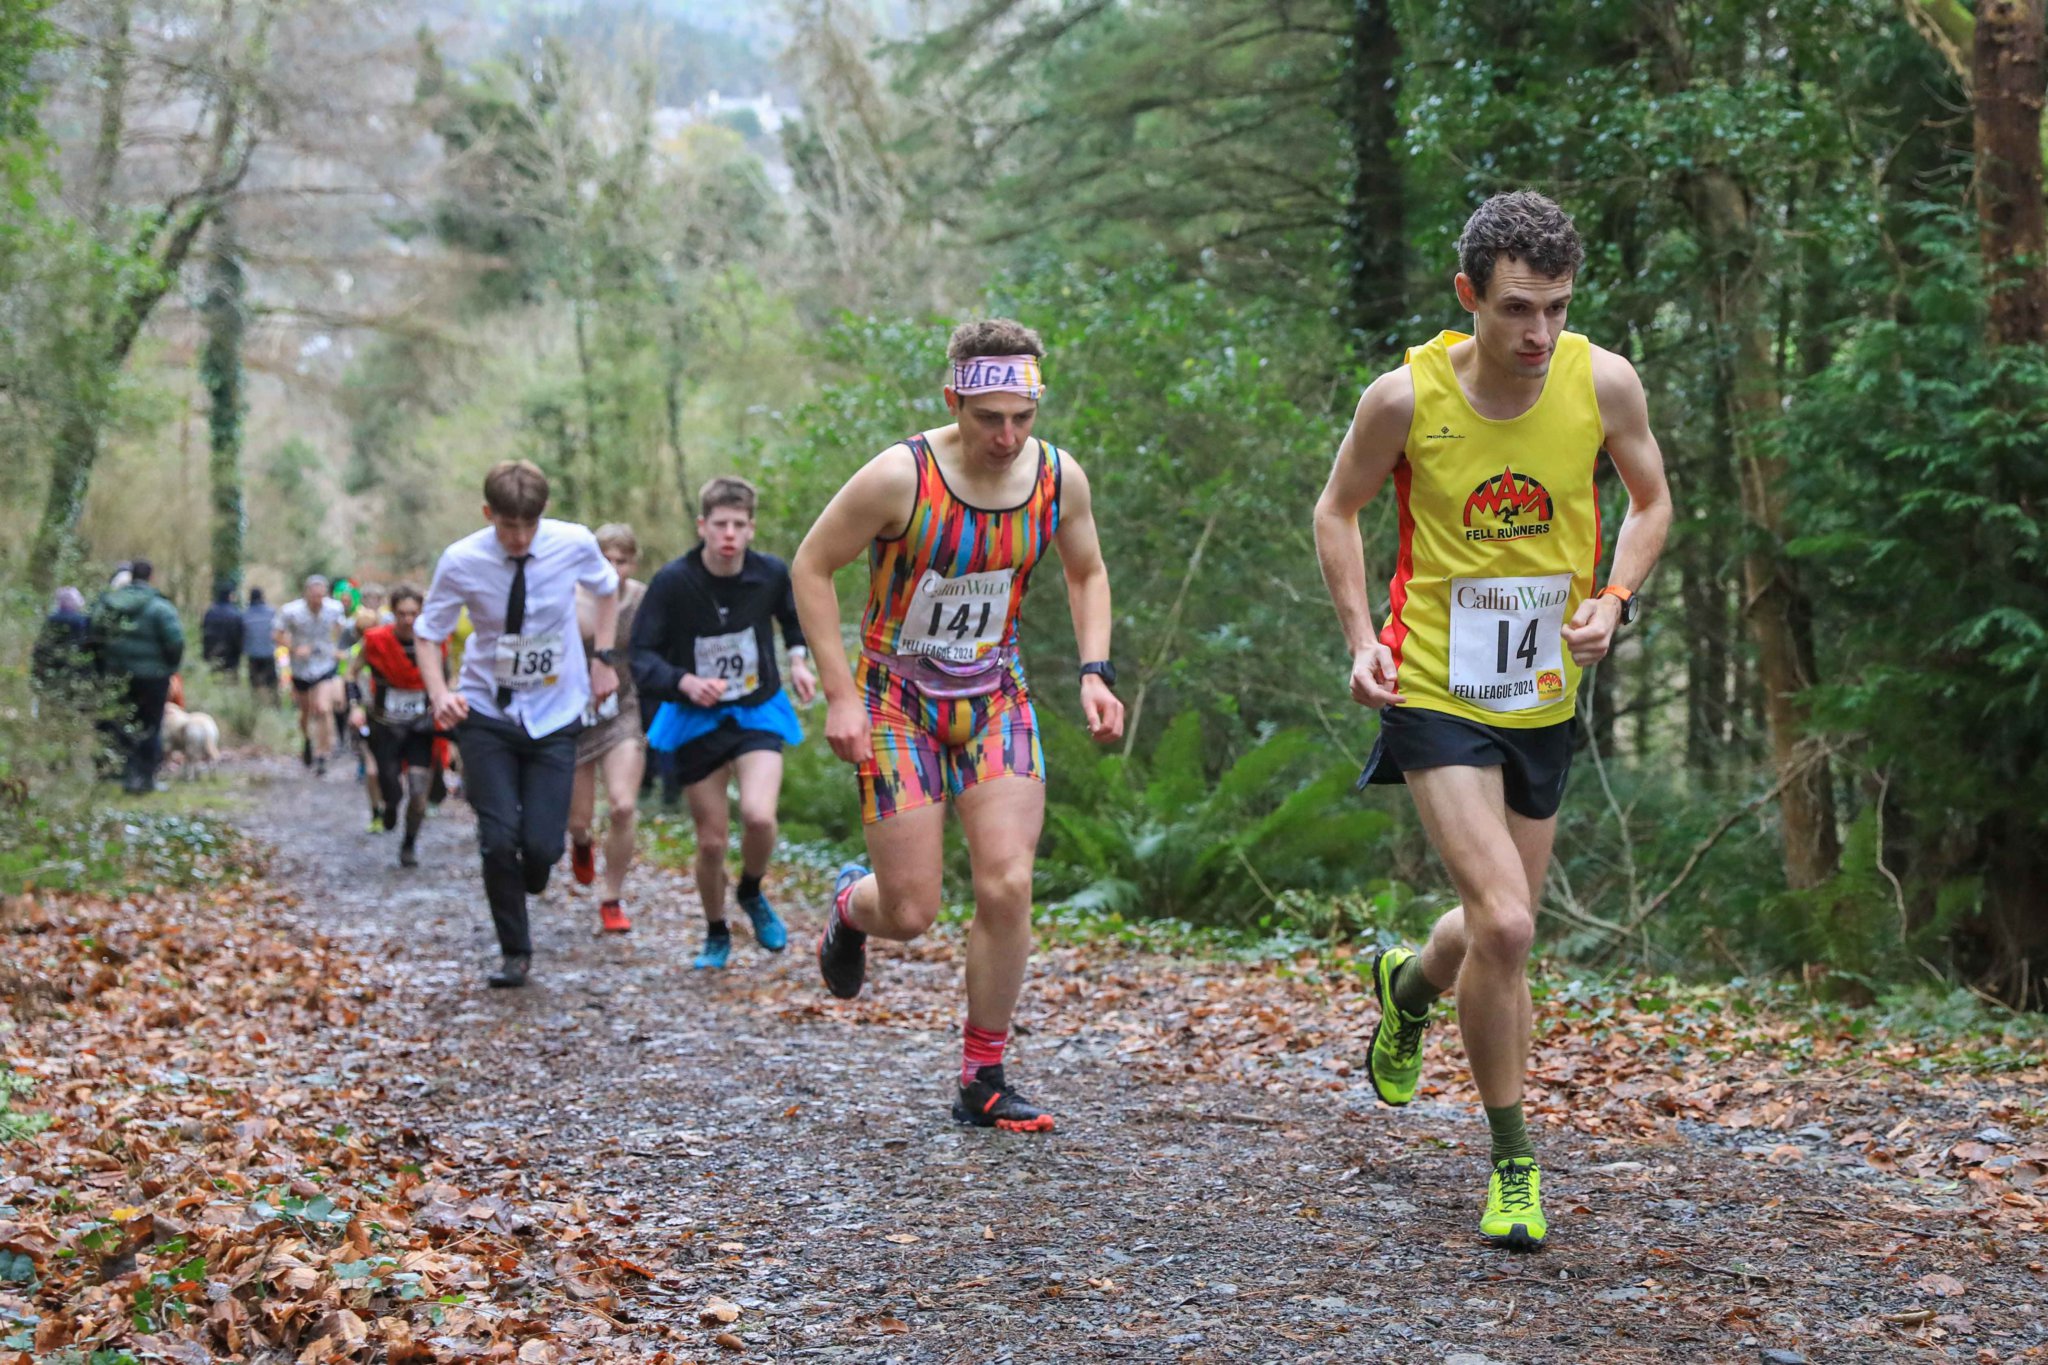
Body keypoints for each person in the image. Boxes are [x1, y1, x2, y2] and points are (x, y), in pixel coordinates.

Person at [1313, 191, 1674, 1250]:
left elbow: (1651, 501)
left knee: (1489, 925)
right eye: (1516, 309)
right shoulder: (1403, 399)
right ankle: (1512, 1165)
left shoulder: (1600, 381)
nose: (1538, 335)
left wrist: (1611, 599)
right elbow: (1335, 510)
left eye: (1556, 308)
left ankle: (1406, 984)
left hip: (1541, 696)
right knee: (1508, 926)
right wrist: (1357, 638)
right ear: (1466, 295)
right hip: (1432, 684)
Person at [790, 319, 1124, 1133]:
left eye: (1022, 416)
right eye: (988, 419)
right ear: (955, 402)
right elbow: (811, 566)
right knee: (909, 912)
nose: (1007, 436)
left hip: (995, 695)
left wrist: (1094, 671)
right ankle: (848, 906)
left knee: (1008, 881)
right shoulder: (898, 477)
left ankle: (983, 1073)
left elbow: (1086, 571)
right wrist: (839, 694)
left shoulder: (1056, 479)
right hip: (893, 699)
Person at [415, 460, 620, 988]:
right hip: (485, 710)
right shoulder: (460, 560)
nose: (520, 538)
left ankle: (539, 867)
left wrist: (604, 657)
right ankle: (515, 951)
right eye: (509, 527)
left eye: (529, 526)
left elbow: (607, 588)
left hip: (556, 710)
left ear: (543, 515)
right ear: (489, 515)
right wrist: (440, 693)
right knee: (498, 838)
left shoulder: (573, 543)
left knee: (543, 847)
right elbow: (428, 630)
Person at [634, 482, 817, 967]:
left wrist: (799, 661)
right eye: (720, 525)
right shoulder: (673, 582)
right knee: (712, 840)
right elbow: (641, 655)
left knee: (759, 816)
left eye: (739, 525)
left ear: (751, 528)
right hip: (697, 717)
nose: (730, 535)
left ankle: (752, 891)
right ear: (703, 527)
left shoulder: (770, 573)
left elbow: (794, 618)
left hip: (757, 708)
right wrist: (684, 682)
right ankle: (716, 932)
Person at [566, 525, 650, 935]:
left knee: (622, 805)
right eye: (606, 560)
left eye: (622, 561)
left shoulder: (642, 598)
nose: (614, 569)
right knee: (579, 820)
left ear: (633, 563)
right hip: (574, 718)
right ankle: (581, 843)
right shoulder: (569, 597)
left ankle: (611, 897)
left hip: (623, 711)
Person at [347, 584, 446, 867]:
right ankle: (389, 806)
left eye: (414, 613)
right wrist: (355, 706)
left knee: (418, 792)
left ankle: (409, 843)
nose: (408, 620)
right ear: (393, 612)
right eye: (402, 613)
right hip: (386, 726)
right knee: (392, 787)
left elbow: (446, 679)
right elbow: (352, 673)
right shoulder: (375, 641)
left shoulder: (433, 642)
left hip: (420, 726)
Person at [88, 560, 185, 795]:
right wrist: (168, 667)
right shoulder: (161, 608)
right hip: (153, 678)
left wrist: (104, 666)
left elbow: (93, 636)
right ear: (151, 577)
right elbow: (176, 641)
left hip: (117, 674)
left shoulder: (109, 604)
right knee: (150, 725)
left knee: (121, 724)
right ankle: (147, 779)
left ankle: (125, 776)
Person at [276, 574, 349, 776]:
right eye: (313, 595)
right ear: (306, 593)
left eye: (320, 596)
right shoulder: (291, 611)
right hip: (301, 668)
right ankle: (307, 740)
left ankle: (323, 754)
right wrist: (294, 648)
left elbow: (341, 630)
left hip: (325, 665)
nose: (317, 600)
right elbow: (277, 634)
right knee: (306, 712)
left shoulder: (334, 609)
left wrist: (336, 648)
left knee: (323, 708)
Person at [32, 587, 96, 714]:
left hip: (52, 667)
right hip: (73, 668)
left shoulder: (51, 619)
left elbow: (42, 645)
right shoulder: (81, 621)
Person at [242, 587, 279, 701]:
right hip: (268, 652)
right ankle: (275, 705)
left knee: (255, 684)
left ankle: (257, 705)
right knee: (272, 683)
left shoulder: (245, 614)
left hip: (252, 653)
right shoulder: (271, 612)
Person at [201, 583, 244, 678]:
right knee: (230, 682)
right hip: (231, 656)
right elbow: (239, 636)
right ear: (230, 596)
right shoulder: (235, 614)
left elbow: (204, 632)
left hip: (212, 654)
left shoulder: (210, 612)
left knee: (215, 680)